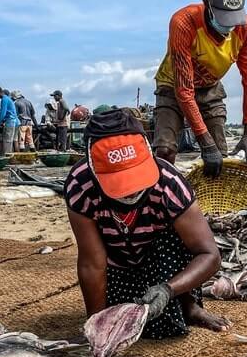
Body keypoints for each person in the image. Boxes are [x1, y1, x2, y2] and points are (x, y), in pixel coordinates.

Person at [64, 108, 230, 338]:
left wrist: (167, 289)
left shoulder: (169, 183)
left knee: (166, 326)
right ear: (93, 169)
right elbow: (93, 263)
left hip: (162, 265)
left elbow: (209, 255)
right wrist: (96, 323)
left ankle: (190, 306)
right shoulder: (80, 186)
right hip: (116, 264)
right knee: (125, 322)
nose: (130, 191)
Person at [154, 0, 247, 177]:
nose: (228, 27)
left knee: (220, 156)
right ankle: (164, 198)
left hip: (210, 87)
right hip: (173, 85)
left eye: (233, 19)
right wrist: (205, 144)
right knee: (165, 150)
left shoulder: (245, 29)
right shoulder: (184, 22)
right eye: (223, 18)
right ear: (207, 4)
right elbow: (184, 92)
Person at [0, 86, 19, 156]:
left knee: (7, 142)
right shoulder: (8, 98)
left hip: (10, 122)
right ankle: (12, 159)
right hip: (16, 122)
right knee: (12, 141)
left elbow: (2, 114)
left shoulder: (4, 99)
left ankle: (7, 160)